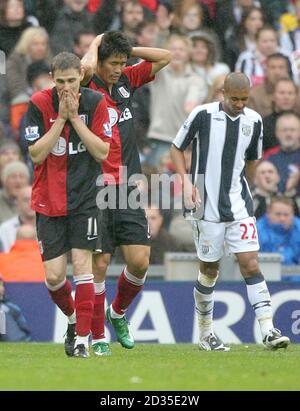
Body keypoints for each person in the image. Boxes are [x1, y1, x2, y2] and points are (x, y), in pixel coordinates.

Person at [170, 72, 290, 351]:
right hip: (205, 206)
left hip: (238, 205)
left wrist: (243, 188)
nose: (239, 103)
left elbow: (251, 162)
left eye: (244, 99)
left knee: (250, 262)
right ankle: (206, 332)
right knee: (210, 269)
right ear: (223, 93)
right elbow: (176, 148)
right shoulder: (202, 115)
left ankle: (268, 329)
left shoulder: (254, 121)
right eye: (234, 98)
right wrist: (186, 181)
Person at [81, 30, 170, 355]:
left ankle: (116, 313)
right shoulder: (85, 85)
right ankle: (98, 335)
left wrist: (124, 48)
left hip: (128, 187)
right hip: (95, 187)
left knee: (139, 261)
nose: (119, 68)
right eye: (113, 62)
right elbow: (85, 67)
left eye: (122, 62)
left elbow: (165, 57)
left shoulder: (126, 82)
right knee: (100, 263)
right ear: (100, 61)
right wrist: (96, 43)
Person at [25, 51, 111, 358]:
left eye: (72, 81)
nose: (66, 88)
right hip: (48, 201)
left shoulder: (95, 103)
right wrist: (60, 118)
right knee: (54, 277)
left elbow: (102, 152)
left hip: (85, 199)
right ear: (52, 79)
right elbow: (36, 154)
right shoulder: (37, 104)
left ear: (81, 77)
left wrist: (75, 119)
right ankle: (75, 321)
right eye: (60, 82)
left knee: (82, 267)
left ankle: (82, 340)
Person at [257, 196, 300, 266]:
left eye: (286, 215)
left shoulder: (298, 228)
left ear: (293, 214)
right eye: (278, 214)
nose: (282, 219)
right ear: (268, 213)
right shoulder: (257, 231)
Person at [0, 273, 31, 342]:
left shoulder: (11, 307)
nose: (1, 288)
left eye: (2, 285)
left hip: (20, 342)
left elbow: (25, 329)